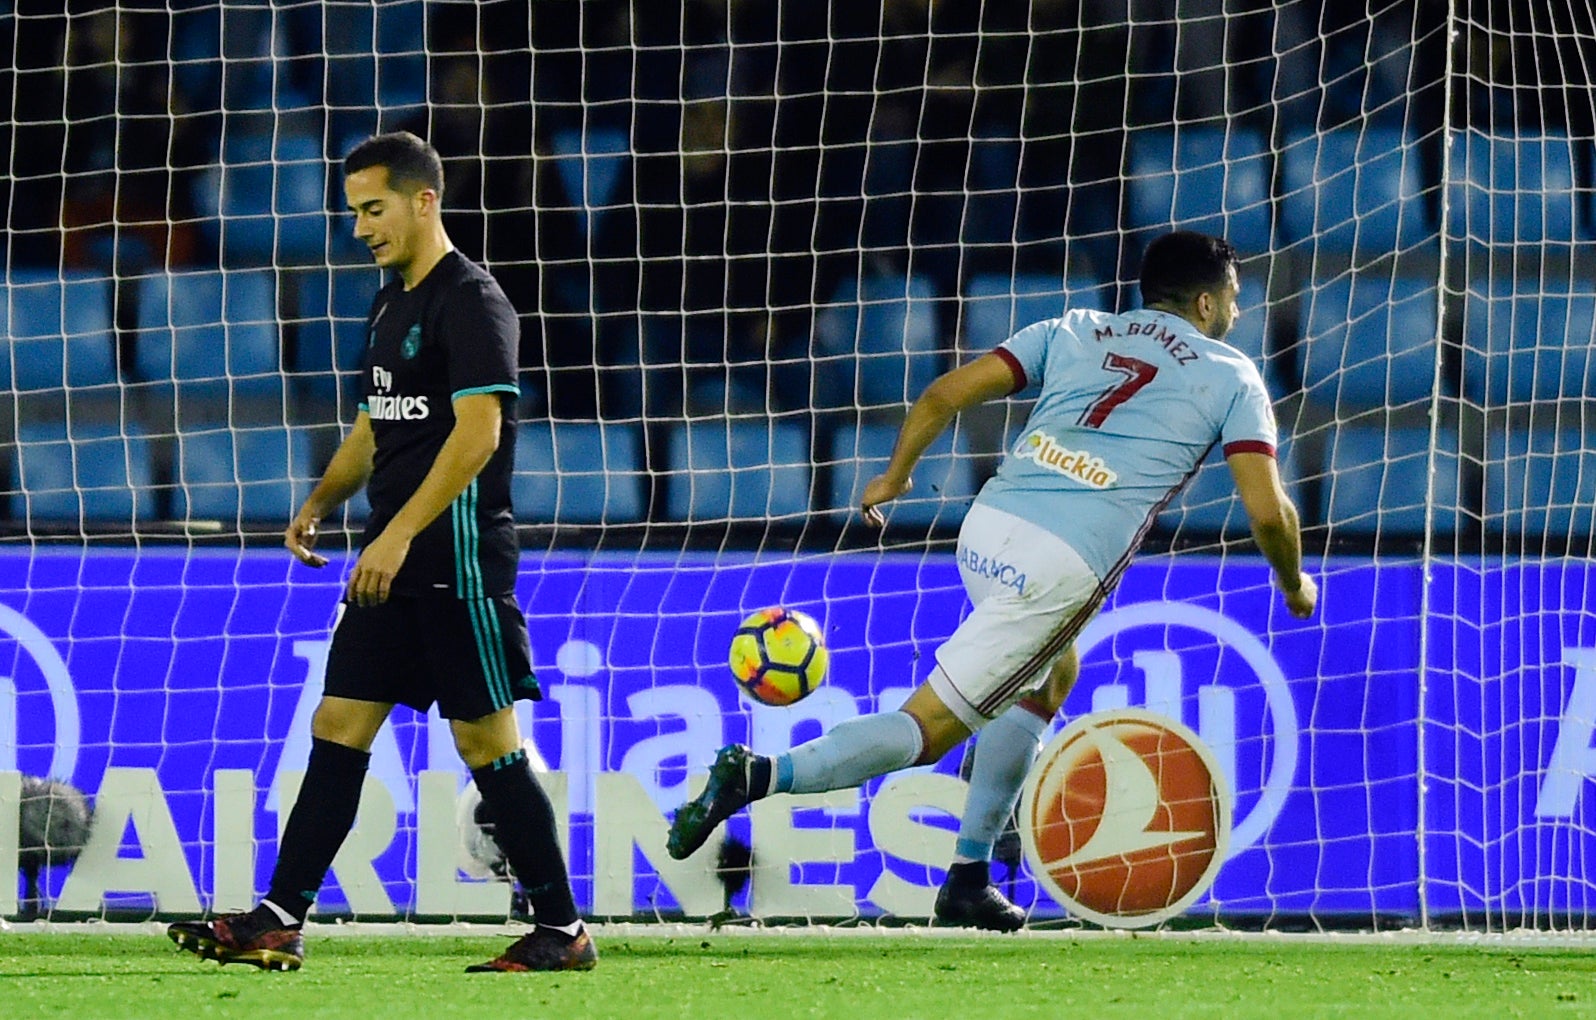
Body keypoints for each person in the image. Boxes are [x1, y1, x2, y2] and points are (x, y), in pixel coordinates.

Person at [665, 231, 1317, 930]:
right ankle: (756, 775)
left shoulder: (1073, 328)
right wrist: (1293, 584)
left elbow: (946, 393)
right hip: (1059, 570)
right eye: (1236, 301)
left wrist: (896, 474)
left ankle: (969, 877)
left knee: (1050, 674)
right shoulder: (1230, 373)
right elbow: (1268, 511)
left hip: (987, 528)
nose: (1238, 316)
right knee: (928, 733)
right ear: (1207, 301)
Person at [167, 132, 596, 973]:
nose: (361, 226)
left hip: (455, 558)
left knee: (487, 745)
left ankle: (562, 929)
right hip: (388, 560)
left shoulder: (471, 300)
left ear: (422, 200)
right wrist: (324, 498)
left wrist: (397, 535)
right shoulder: (388, 301)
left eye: (374, 208)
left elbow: (479, 434)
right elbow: (377, 423)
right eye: (353, 211)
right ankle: (278, 915)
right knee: (339, 723)